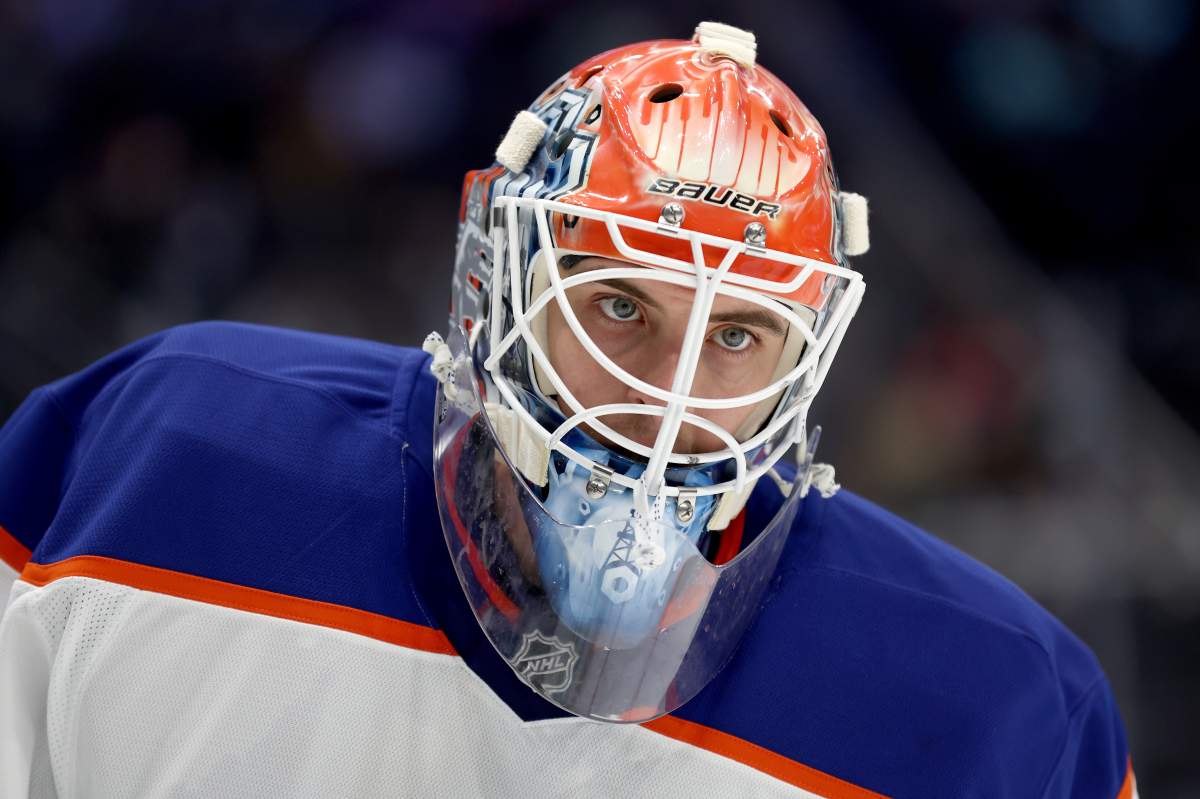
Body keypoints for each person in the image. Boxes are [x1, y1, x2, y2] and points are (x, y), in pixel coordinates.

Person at [0, 21, 1135, 799]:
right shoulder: (159, 461)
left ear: (808, 357)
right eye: (619, 306)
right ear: (496, 292)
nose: (667, 394)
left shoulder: (1005, 711)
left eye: (739, 334)